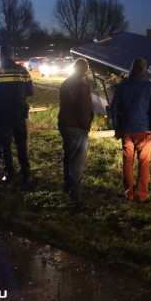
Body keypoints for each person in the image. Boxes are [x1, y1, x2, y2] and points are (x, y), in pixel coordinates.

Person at [109, 58, 151, 203]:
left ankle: (129, 193)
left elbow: (114, 109)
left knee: (127, 161)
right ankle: (142, 194)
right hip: (144, 131)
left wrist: (117, 127)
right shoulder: (150, 87)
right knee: (144, 163)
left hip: (126, 130)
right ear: (145, 70)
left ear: (131, 69)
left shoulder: (122, 87)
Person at [0, 46, 33, 185]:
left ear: (0, 55)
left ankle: (8, 173)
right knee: (21, 143)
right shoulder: (22, 71)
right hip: (18, 111)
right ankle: (25, 173)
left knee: (5, 144)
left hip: (1, 112)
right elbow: (30, 91)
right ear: (12, 55)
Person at [58, 58, 94, 203]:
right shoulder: (82, 85)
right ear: (85, 70)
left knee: (68, 154)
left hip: (64, 124)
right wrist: (86, 125)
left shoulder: (66, 83)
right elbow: (83, 108)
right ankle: (75, 191)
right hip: (77, 126)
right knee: (78, 159)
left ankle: (67, 184)